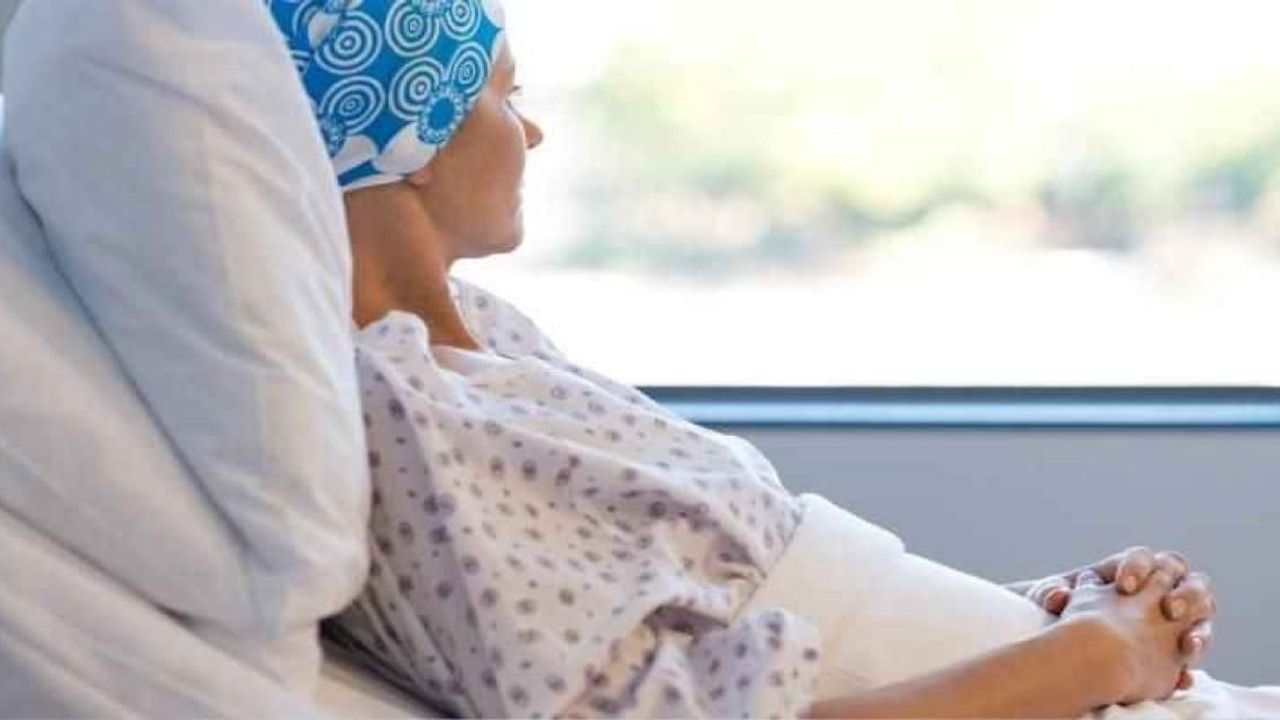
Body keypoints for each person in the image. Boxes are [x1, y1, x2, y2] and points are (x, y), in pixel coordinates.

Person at [266, 1, 1243, 717]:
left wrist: (1043, 611)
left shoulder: (487, 341)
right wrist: (1094, 657)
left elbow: (747, 606)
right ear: (415, 135)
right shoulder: (397, 410)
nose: (531, 130)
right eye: (502, 94)